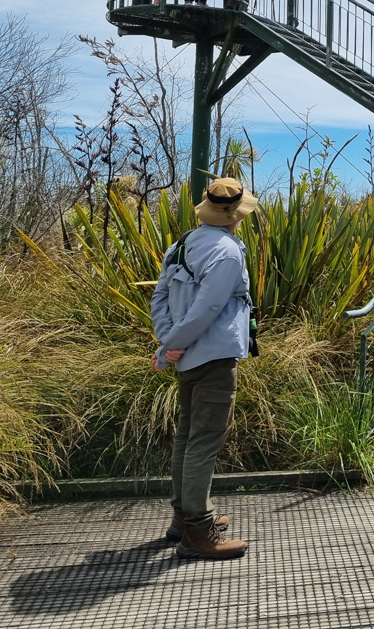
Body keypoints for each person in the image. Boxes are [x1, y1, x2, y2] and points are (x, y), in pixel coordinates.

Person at [150, 177, 257, 560]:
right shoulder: (227, 251)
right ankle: (198, 530)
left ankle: (184, 516)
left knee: (187, 437)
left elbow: (160, 296)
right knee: (205, 440)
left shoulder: (181, 244)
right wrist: (170, 346)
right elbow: (208, 308)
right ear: (235, 214)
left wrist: (170, 342)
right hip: (213, 356)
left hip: (188, 358)